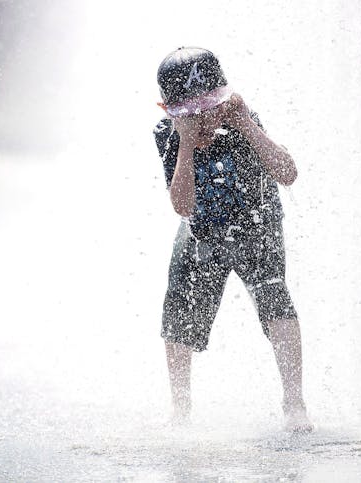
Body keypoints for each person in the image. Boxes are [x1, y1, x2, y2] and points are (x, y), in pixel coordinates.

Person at [153, 47, 312, 433]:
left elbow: (288, 174)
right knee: (178, 312)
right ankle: (180, 410)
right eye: (189, 114)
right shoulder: (168, 136)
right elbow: (182, 205)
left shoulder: (241, 120)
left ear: (225, 98)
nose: (203, 119)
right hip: (201, 227)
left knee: (276, 299)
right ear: (168, 111)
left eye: (210, 106)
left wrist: (246, 125)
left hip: (256, 222)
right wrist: (187, 144)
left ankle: (295, 404)